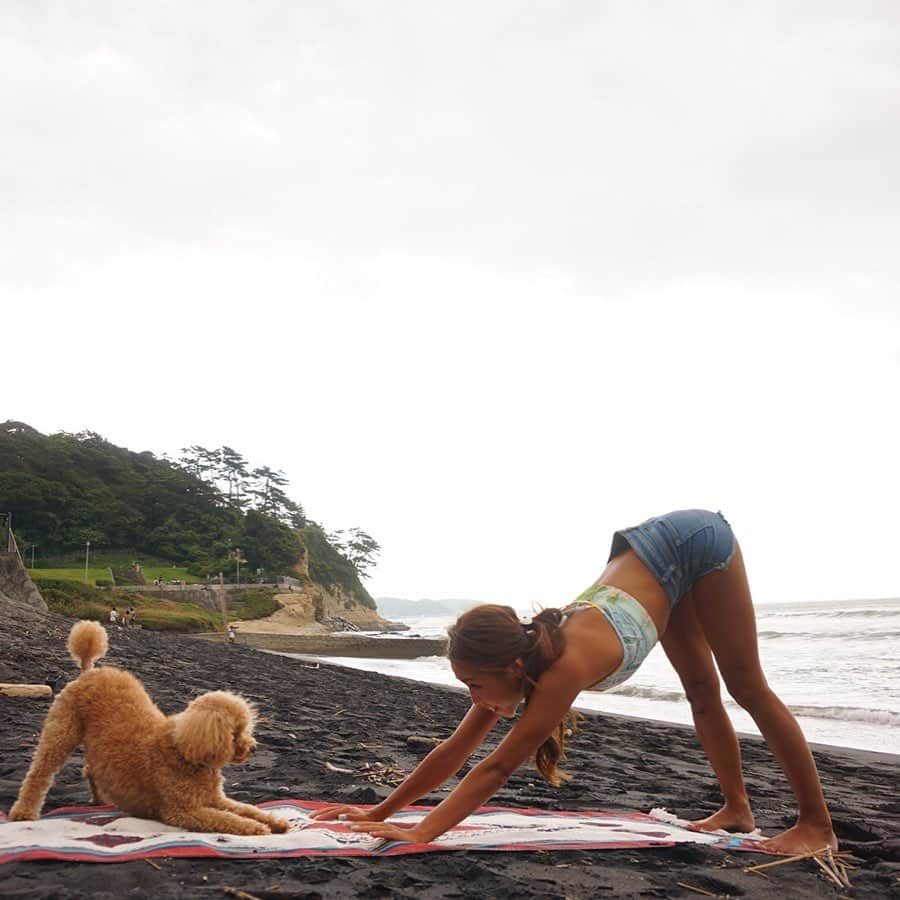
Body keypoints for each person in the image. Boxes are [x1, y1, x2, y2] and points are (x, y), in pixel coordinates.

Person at [312, 509, 837, 855]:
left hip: (695, 543)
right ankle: (738, 809)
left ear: (511, 669)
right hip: (649, 563)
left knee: (745, 687)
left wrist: (424, 831)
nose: (472, 697)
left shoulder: (561, 668)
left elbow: (495, 767)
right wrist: (380, 812)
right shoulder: (516, 665)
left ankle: (817, 825)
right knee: (700, 694)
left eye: (472, 684)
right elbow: (457, 749)